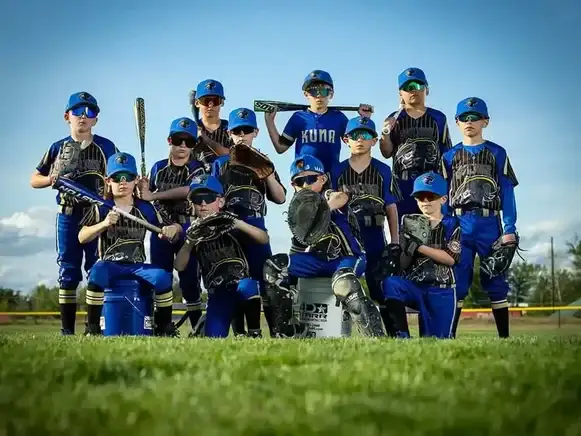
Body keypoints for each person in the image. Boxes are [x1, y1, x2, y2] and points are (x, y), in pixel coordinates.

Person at [263, 154, 385, 338]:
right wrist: (290, 279)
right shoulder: (298, 210)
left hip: (348, 258)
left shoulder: (326, 195)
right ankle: (286, 331)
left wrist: (320, 210)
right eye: (298, 182)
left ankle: (376, 337)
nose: (305, 185)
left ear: (323, 179)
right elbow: (296, 247)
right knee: (274, 267)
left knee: (344, 283)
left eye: (310, 179)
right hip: (318, 261)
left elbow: (341, 197)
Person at [29, 91, 117, 335]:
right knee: (68, 269)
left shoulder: (106, 146)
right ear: (67, 116)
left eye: (90, 112)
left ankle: (93, 328)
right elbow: (34, 179)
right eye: (78, 111)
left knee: (96, 267)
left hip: (95, 214)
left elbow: (117, 175)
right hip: (67, 213)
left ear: (95, 119)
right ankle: (67, 330)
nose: (83, 117)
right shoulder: (57, 148)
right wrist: (51, 179)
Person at [78, 152, 183, 336]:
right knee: (96, 273)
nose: (123, 182)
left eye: (128, 177)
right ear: (108, 181)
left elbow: (175, 228)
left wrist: (172, 230)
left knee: (162, 278)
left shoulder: (144, 208)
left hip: (136, 265)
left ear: (136, 181)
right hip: (110, 263)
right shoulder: (101, 206)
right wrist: (104, 224)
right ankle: (92, 328)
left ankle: (164, 327)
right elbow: (82, 236)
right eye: (117, 178)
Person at [441, 97, 519, 338]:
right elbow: (443, 195)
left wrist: (509, 227)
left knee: (495, 279)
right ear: (456, 122)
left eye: (475, 117)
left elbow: (507, 192)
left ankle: (504, 338)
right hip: (460, 223)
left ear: (485, 121)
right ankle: (449, 336)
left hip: (489, 222)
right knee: (458, 281)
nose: (469, 122)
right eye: (464, 118)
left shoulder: (497, 152)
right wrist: (446, 226)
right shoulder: (449, 156)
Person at [212, 108, 287, 337]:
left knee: (266, 281)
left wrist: (268, 174)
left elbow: (280, 198)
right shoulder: (221, 164)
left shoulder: (264, 161)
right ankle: (241, 333)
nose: (242, 135)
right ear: (229, 133)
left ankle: (275, 332)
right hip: (228, 229)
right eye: (237, 131)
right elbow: (212, 200)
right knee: (236, 280)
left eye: (247, 130)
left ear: (255, 132)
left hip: (256, 227)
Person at [174, 175, 269, 338]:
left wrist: (238, 224)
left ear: (221, 202)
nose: (203, 204)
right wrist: (190, 242)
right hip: (217, 293)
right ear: (191, 204)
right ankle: (206, 323)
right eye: (198, 199)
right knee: (213, 337)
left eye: (209, 198)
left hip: (240, 286)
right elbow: (179, 266)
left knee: (248, 285)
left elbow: (263, 238)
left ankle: (254, 333)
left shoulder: (232, 221)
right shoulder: (191, 229)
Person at [331, 116, 400, 334]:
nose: (360, 139)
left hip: (375, 234)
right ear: (345, 140)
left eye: (366, 135)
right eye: (354, 135)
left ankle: (392, 334)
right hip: (346, 236)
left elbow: (391, 207)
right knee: (346, 283)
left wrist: (395, 241)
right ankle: (341, 333)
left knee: (380, 285)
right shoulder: (336, 171)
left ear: (374, 140)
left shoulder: (383, 170)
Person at [143, 117, 206, 334]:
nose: (182, 146)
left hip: (187, 228)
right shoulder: (158, 168)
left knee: (189, 280)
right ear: (169, 140)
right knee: (162, 278)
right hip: (160, 230)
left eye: (188, 142)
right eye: (178, 140)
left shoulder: (197, 168)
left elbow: (191, 191)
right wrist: (141, 190)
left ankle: (198, 326)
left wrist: (155, 194)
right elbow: (145, 198)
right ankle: (164, 325)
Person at [383, 171, 462, 339]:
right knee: (391, 283)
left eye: (431, 196)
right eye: (420, 197)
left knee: (435, 341)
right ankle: (401, 335)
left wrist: (418, 247)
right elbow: (404, 264)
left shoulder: (452, 224)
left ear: (443, 199)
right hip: (415, 286)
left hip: (441, 289)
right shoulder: (409, 223)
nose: (425, 201)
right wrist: (400, 252)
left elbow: (450, 259)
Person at [264, 69, 372, 174]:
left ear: (331, 94)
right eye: (313, 91)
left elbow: (358, 143)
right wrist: (269, 121)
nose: (319, 95)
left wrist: (365, 120)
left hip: (331, 176)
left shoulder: (339, 118)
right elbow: (280, 147)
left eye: (324, 90)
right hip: (305, 177)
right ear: (306, 94)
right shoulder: (298, 117)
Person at [379, 67, 452, 217]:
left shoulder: (438, 118)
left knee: (434, 226)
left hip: (431, 179)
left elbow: (447, 152)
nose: (413, 91)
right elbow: (386, 153)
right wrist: (385, 133)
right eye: (407, 88)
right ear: (400, 93)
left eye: (418, 86)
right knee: (405, 227)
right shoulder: (394, 118)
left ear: (426, 89)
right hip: (403, 181)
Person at [191, 79, 231, 172]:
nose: (210, 105)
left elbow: (235, 156)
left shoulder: (231, 128)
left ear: (222, 102)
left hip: (226, 180)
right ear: (197, 103)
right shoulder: (190, 129)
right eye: (206, 101)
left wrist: (206, 139)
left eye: (215, 101)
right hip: (197, 181)